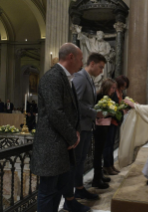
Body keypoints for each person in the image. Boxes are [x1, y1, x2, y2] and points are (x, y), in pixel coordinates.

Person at [30, 43, 87, 212]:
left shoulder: (66, 78)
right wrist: (73, 136)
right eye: (81, 59)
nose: (82, 63)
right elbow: (56, 113)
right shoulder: (52, 77)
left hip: (60, 145)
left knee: (56, 191)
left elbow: (71, 111)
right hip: (51, 145)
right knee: (48, 192)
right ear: (71, 57)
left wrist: (74, 133)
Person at [63, 53, 107, 211]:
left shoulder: (88, 78)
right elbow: (77, 103)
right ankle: (71, 197)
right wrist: (95, 113)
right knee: (76, 162)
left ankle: (79, 189)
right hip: (80, 127)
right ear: (93, 64)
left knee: (81, 160)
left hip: (87, 126)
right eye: (100, 67)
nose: (102, 71)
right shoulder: (81, 77)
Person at [92, 78, 117, 189]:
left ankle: (100, 175)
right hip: (99, 126)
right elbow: (95, 111)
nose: (114, 90)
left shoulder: (108, 97)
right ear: (107, 86)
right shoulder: (99, 96)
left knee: (101, 151)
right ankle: (96, 179)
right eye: (112, 88)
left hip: (106, 125)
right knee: (98, 153)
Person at [103, 75, 130, 175]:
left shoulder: (120, 92)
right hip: (111, 121)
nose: (123, 88)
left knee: (111, 144)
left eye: (125, 86)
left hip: (116, 121)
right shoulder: (114, 92)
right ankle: (107, 166)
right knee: (108, 145)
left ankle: (111, 165)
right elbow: (113, 105)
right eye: (122, 86)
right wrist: (120, 108)